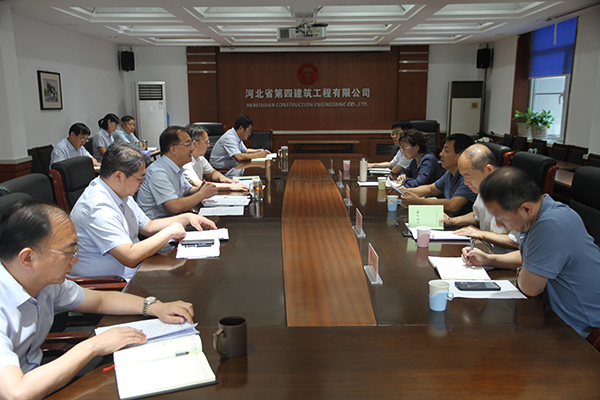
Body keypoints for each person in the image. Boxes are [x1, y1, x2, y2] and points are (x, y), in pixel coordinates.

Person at [0, 200, 195, 399]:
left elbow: (100, 300)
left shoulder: (45, 283)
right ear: (28, 258)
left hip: (40, 379)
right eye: (67, 253)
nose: (75, 260)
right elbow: (16, 393)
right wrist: (94, 345)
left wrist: (154, 307)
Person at [462, 167, 600, 338]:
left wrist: (524, 270)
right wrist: (489, 259)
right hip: (553, 312)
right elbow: (530, 256)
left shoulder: (550, 225)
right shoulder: (542, 211)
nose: (499, 224)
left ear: (526, 209)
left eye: (501, 217)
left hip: (578, 327)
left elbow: (530, 287)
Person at [70, 142, 217, 280]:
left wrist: (187, 218)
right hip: (109, 283)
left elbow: (149, 226)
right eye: (139, 178)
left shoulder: (119, 193)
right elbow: (129, 256)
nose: (142, 183)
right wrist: (170, 232)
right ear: (119, 176)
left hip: (134, 270)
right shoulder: (98, 206)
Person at [444, 144, 519, 253]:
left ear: (488, 170)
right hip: (484, 251)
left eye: (468, 176)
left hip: (504, 259)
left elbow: (516, 241)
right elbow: (477, 215)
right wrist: (452, 221)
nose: (465, 182)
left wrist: (480, 234)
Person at [137, 126, 218, 219]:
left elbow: (187, 190)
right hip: (158, 224)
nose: (192, 148)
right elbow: (174, 206)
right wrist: (202, 194)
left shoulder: (175, 167)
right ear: (173, 150)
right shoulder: (159, 172)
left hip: (172, 220)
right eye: (188, 144)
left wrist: (201, 188)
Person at [400, 133, 476, 216]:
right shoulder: (449, 173)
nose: (441, 154)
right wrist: (404, 191)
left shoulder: (469, 177)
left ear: (461, 155)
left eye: (446, 151)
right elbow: (431, 189)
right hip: (449, 217)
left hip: (461, 221)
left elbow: (453, 205)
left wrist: (419, 201)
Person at [183, 123, 249, 192]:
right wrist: (231, 186)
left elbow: (212, 173)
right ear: (195, 144)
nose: (208, 145)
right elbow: (199, 184)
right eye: (206, 142)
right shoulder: (185, 161)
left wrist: (223, 178)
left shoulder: (200, 158)